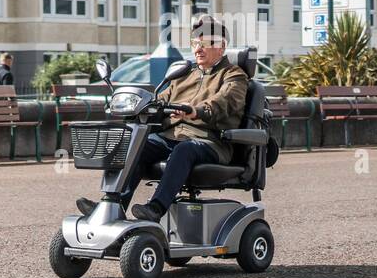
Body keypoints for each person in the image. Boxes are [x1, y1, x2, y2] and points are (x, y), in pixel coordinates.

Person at [77, 15, 248, 222]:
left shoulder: (233, 75)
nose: (198, 49)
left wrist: (196, 110)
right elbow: (160, 99)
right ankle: (112, 204)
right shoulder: (185, 75)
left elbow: (224, 103)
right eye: (195, 43)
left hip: (209, 141)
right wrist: (136, 104)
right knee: (137, 144)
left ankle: (156, 208)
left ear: (221, 47)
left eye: (205, 44)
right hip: (172, 136)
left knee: (184, 149)